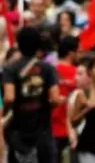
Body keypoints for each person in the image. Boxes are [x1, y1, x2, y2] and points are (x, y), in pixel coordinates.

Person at [3, 26, 61, 163]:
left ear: (18, 44)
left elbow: (9, 97)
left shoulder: (10, 69)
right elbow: (55, 98)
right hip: (42, 130)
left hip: (17, 130)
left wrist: (6, 113)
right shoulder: (48, 69)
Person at [53, 35, 79, 162]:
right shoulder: (78, 73)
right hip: (72, 127)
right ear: (71, 53)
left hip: (53, 125)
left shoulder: (51, 70)